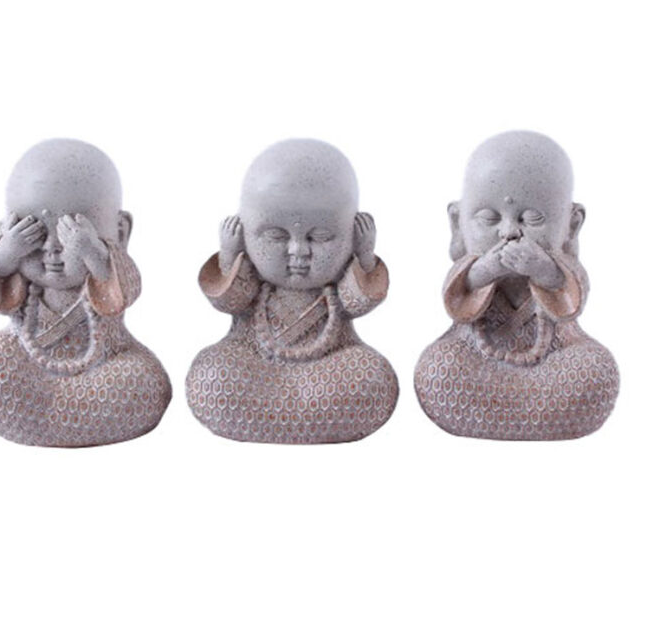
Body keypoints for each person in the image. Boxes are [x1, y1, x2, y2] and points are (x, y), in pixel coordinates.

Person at [186, 138, 398, 443]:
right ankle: (309, 422)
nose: (298, 250)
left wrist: (365, 258)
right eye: (276, 235)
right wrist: (230, 257)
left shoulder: (337, 288)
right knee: (212, 374)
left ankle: (269, 421)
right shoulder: (252, 282)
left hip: (330, 370)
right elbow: (232, 302)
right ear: (245, 233)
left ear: (350, 236)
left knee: (372, 376)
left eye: (320, 236)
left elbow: (355, 303)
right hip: (254, 366)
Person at [415, 130, 619, 440]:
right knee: (438, 366)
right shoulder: (470, 269)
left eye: (532, 219)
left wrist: (543, 270)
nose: (509, 232)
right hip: (477, 361)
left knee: (596, 368)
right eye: (489, 218)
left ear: (571, 224)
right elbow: (457, 301)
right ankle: (539, 417)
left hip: (554, 364)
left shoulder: (562, 271)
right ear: (457, 223)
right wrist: (485, 271)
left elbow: (571, 301)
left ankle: (514, 415)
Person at [0, 139, 171, 446]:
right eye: (33, 232)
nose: (52, 248)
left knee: (144, 379)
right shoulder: (23, 281)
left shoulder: (109, 272)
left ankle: (46, 420)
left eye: (70, 233)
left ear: (119, 232)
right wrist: (7, 254)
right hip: (29, 367)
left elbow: (124, 291)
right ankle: (61, 418)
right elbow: (1, 293)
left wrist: (91, 252)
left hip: (105, 366)